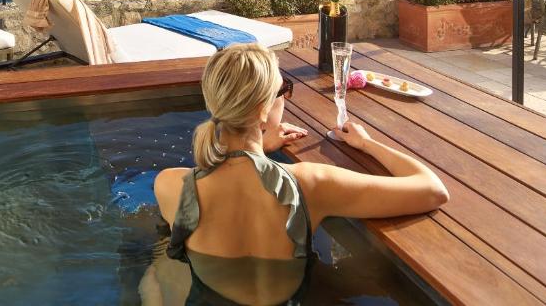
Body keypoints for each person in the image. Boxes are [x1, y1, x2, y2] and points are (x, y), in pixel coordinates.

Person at [150, 43, 448, 306]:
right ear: (261, 109)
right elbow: (432, 190)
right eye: (282, 91)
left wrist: (259, 148)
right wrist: (367, 144)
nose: (286, 98)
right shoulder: (311, 184)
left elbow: (233, 182)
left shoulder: (171, 185)